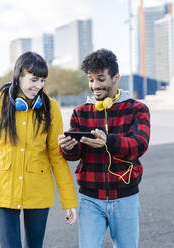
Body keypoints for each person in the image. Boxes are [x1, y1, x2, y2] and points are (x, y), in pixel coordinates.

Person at [0, 51, 78, 248]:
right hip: (2, 189)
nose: (39, 86)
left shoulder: (51, 108)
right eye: (34, 79)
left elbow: (56, 156)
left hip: (38, 190)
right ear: (19, 75)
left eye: (42, 80)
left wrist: (69, 201)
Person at [58, 49, 150, 248]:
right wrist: (68, 148)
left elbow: (139, 145)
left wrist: (109, 141)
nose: (95, 86)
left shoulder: (137, 109)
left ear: (116, 78)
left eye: (100, 79)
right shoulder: (80, 112)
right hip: (90, 198)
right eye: (91, 80)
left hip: (125, 197)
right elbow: (75, 155)